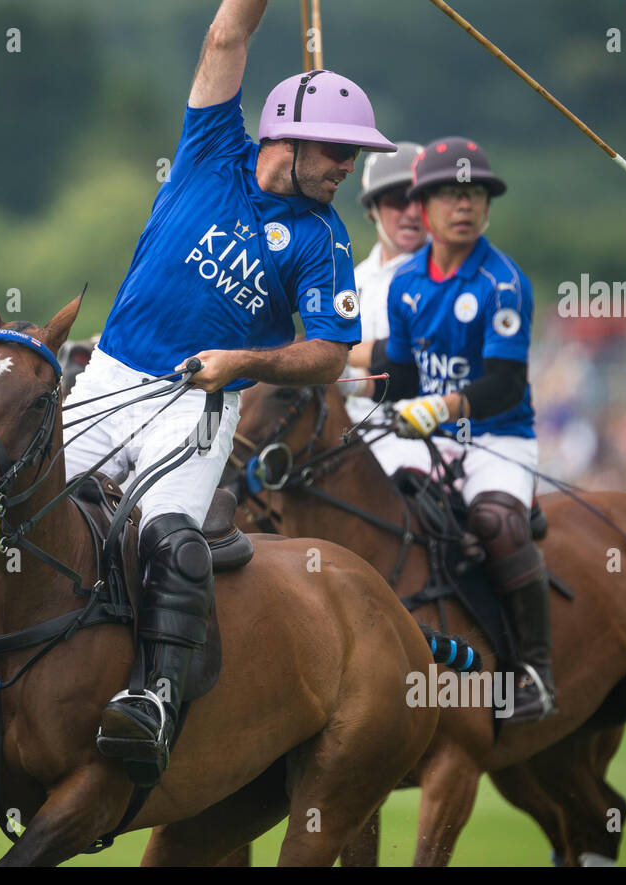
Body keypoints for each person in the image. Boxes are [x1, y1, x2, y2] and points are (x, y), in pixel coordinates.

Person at [63, 0, 393, 783]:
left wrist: (244, 363)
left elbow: (326, 355)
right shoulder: (212, 148)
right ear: (290, 133)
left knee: (170, 539)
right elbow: (228, 32)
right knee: (21, 499)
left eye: (354, 157)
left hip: (199, 404)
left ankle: (155, 697)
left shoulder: (323, 241)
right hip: (110, 372)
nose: (348, 168)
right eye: (340, 151)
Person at [373, 136, 554, 722]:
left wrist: (441, 407)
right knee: (367, 505)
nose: (465, 205)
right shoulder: (404, 285)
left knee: (496, 525)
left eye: (475, 194)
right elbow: (400, 376)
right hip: (430, 436)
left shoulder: (503, 283)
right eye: (450, 194)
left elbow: (503, 383)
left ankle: (533, 670)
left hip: (497, 437)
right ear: (423, 205)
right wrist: (375, 396)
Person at [341, 141, 426, 469]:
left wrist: (338, 357)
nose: (412, 211)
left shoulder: (449, 272)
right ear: (373, 207)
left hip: (423, 435)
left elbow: (410, 354)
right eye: (397, 200)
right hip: (350, 434)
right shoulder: (353, 277)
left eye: (421, 198)